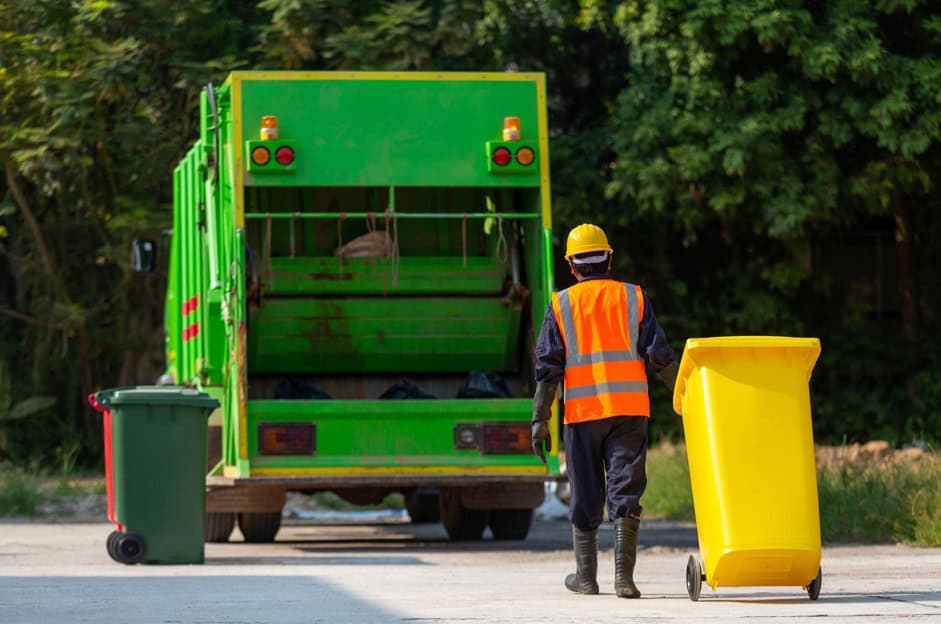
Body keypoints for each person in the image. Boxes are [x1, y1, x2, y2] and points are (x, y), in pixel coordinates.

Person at [530, 223, 679, 598]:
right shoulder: (634, 297)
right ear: (609, 259)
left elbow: (549, 368)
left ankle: (586, 577)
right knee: (625, 488)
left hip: (582, 413)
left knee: (585, 491)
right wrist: (684, 396)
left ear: (571, 265)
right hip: (629, 410)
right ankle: (623, 579)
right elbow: (659, 356)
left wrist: (539, 419)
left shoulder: (562, 303)